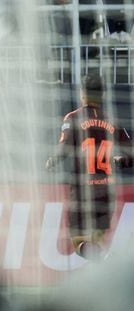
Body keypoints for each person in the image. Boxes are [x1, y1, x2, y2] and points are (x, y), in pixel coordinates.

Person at [46, 73, 132, 260]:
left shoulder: (73, 117)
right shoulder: (112, 120)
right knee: (97, 241)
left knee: (79, 244)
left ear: (81, 93)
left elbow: (65, 146)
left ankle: (108, 259)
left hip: (82, 191)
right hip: (105, 191)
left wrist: (53, 159)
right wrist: (120, 160)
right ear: (102, 95)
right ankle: (106, 264)